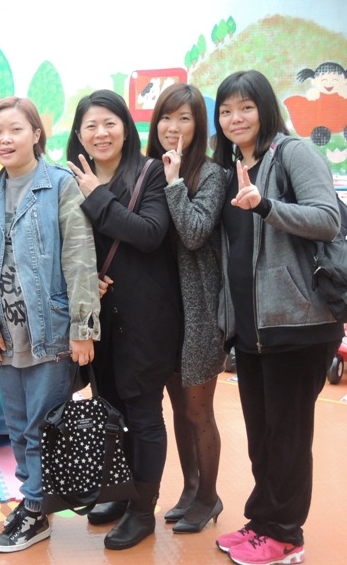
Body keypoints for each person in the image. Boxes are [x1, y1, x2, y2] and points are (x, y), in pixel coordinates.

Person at [211, 70, 342, 565]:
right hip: (252, 329)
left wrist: (266, 206)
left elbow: (327, 218)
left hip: (300, 323)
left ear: (265, 108)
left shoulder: (293, 153)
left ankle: (286, 537)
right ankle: (263, 522)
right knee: (263, 436)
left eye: (246, 107)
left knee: (287, 437)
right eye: (226, 110)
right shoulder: (231, 169)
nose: (236, 118)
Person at [0, 96, 100, 553]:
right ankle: (33, 499)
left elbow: (79, 257)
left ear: (36, 134)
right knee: (18, 425)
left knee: (44, 425)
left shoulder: (60, 185)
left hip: (52, 329)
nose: (5, 139)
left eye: (16, 129)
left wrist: (82, 328)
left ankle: (36, 507)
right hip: (6, 331)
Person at [67, 89, 182, 550]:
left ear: (126, 128)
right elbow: (66, 244)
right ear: (79, 134)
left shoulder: (150, 172)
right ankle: (120, 492)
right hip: (99, 320)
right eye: (91, 125)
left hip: (146, 319)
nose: (101, 133)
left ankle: (143, 510)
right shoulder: (70, 178)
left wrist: (97, 197)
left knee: (144, 414)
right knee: (110, 410)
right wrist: (84, 279)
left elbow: (151, 233)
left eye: (109, 123)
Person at [145, 83, 228, 534]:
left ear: (198, 125)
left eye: (184, 118)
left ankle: (209, 496)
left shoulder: (211, 174)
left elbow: (195, 233)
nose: (173, 127)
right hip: (164, 311)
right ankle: (191, 488)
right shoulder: (148, 169)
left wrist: (175, 181)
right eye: (166, 117)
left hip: (200, 311)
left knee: (198, 411)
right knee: (178, 408)